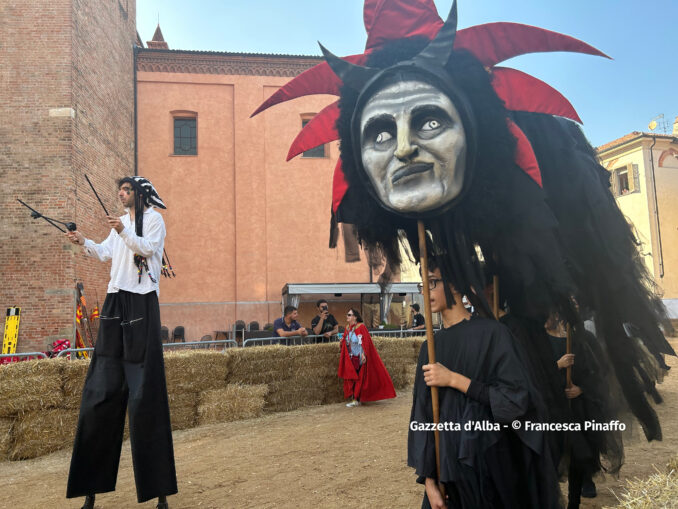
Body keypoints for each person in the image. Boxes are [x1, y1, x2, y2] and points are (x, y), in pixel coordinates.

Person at [408, 260, 561, 509]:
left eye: (432, 282)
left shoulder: (494, 334)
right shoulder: (430, 347)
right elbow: (422, 416)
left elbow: (517, 398)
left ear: (455, 285)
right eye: (422, 283)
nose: (425, 290)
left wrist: (454, 380)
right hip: (445, 469)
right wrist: (428, 481)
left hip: (490, 467)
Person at [64, 177, 176, 509]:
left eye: (126, 191)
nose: (120, 194)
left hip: (142, 304)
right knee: (100, 393)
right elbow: (103, 254)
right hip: (115, 306)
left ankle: (159, 494)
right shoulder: (121, 224)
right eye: (120, 190)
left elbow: (147, 249)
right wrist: (82, 240)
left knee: (145, 398)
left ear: (140, 195)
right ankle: (89, 490)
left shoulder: (154, 220)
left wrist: (123, 231)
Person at [337, 308, 396, 407]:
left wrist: (364, 353)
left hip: (360, 356)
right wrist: (342, 341)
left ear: (355, 317)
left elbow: (366, 342)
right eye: (347, 315)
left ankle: (356, 399)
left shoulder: (361, 327)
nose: (347, 316)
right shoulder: (348, 328)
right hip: (351, 357)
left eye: (349, 315)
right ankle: (355, 398)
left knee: (358, 378)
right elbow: (346, 341)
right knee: (351, 377)